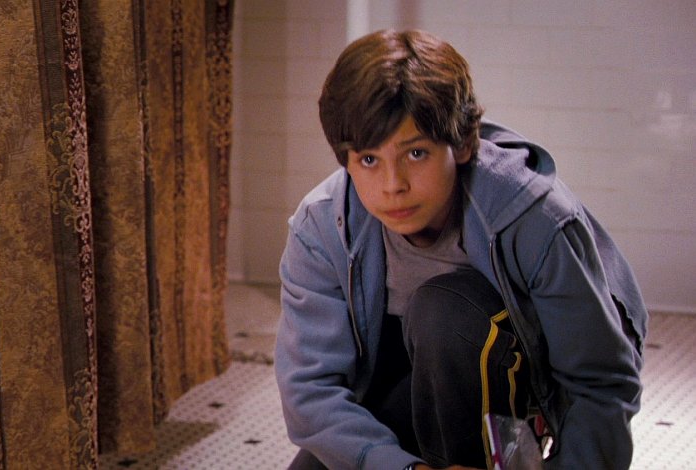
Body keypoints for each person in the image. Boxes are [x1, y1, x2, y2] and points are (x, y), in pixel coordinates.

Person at [274, 29, 647, 470]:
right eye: (369, 160)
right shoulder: (322, 227)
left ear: (464, 143)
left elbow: (600, 384)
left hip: (512, 378)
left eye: (416, 154)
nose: (393, 186)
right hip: (407, 376)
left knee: (443, 311)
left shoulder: (534, 217)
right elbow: (311, 393)